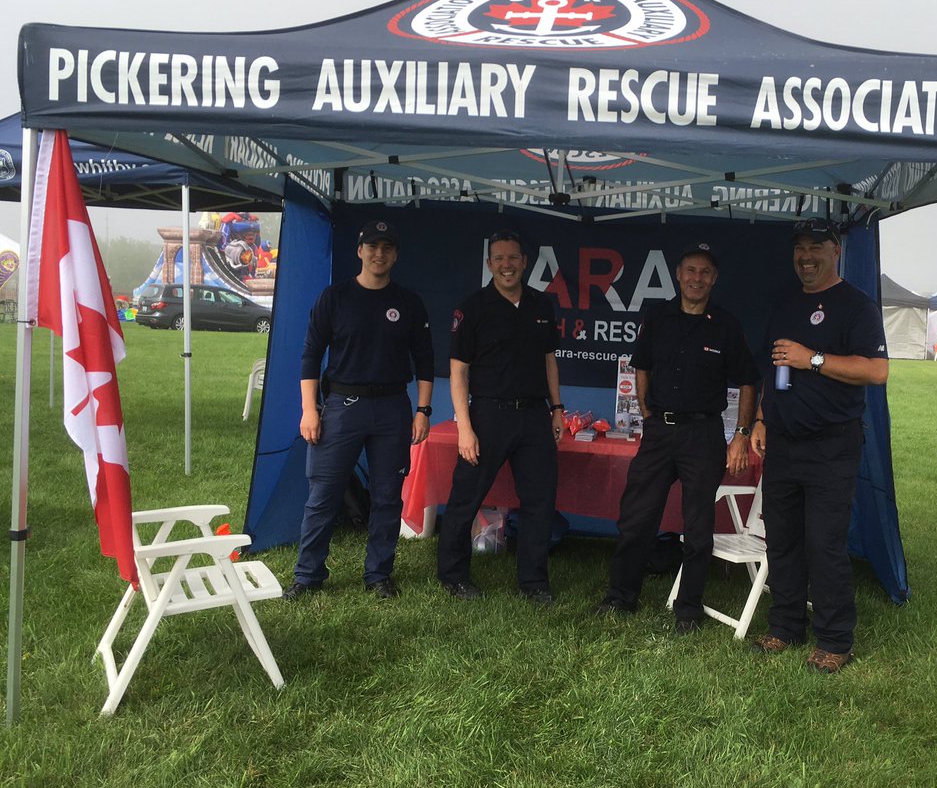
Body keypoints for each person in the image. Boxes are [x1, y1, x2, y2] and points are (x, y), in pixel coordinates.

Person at [596, 244, 759, 633]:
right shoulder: (658, 316)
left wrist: (740, 434)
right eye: (690, 270)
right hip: (658, 433)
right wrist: (647, 411)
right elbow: (642, 367)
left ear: (714, 278)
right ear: (678, 274)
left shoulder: (726, 325)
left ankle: (688, 609)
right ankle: (621, 597)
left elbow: (749, 381)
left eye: (704, 272)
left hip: (702, 433)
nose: (696, 278)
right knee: (636, 518)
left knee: (698, 527)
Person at [750, 219, 889, 673]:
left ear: (836, 251)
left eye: (816, 247)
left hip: (832, 444)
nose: (806, 256)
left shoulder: (857, 306)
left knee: (825, 543)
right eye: (800, 249)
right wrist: (760, 418)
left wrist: (811, 359)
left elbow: (876, 371)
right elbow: (771, 369)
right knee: (783, 538)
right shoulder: (785, 303)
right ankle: (786, 625)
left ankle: (834, 639)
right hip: (783, 443)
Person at [283, 219, 435, 600]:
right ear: (359, 251)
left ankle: (379, 574)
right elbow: (310, 356)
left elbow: (426, 361)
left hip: (391, 409)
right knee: (323, 494)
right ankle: (308, 575)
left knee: (387, 496)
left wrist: (423, 411)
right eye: (372, 246)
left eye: (386, 248)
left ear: (395, 255)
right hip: (341, 406)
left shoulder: (408, 302)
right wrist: (309, 410)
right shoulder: (334, 298)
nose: (378, 254)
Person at [437, 229, 565, 604]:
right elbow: (458, 371)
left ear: (524, 262)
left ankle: (534, 582)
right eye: (499, 259)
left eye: (513, 258)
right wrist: (465, 427)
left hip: (534, 417)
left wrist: (557, 407)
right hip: (488, 415)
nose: (507, 265)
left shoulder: (542, 306)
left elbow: (549, 361)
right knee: (466, 497)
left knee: (540, 500)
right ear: (490, 264)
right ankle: (453, 575)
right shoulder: (472, 307)